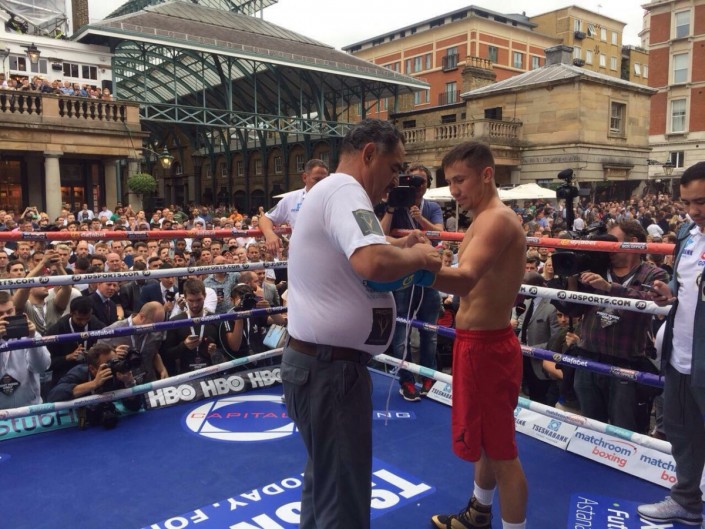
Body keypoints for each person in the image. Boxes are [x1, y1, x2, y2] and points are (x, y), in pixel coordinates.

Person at [281, 119, 441, 529]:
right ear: (369, 154)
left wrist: (398, 244)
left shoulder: (335, 191)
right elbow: (370, 261)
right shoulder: (345, 190)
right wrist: (420, 257)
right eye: (394, 167)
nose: (395, 182)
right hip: (330, 371)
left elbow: (363, 246)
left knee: (327, 485)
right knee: (342, 501)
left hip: (322, 367)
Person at [429, 142, 528, 529]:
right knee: (486, 440)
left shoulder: (496, 220)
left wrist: (409, 267)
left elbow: (465, 280)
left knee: (502, 453)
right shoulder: (482, 219)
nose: (454, 190)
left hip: (487, 348)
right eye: (450, 182)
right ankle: (479, 512)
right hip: (476, 344)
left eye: (460, 180)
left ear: (487, 174)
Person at [638, 162, 705, 526]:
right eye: (688, 202)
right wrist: (669, 292)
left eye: (702, 202)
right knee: (682, 433)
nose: (694, 210)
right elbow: (685, 286)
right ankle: (686, 501)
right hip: (680, 354)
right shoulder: (687, 234)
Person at [571, 219, 668, 433]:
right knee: (589, 428)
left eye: (613, 241)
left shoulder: (654, 274)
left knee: (624, 431)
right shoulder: (598, 267)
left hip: (626, 363)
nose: (608, 246)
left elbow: (652, 302)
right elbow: (573, 309)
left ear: (633, 242)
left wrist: (610, 287)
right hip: (588, 357)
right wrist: (571, 278)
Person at [380, 163, 444, 401]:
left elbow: (439, 233)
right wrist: (391, 207)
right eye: (412, 181)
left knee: (430, 331)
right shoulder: (394, 204)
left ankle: (428, 377)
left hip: (427, 275)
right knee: (402, 329)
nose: (417, 186)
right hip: (403, 275)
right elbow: (380, 235)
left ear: (428, 184)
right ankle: (406, 380)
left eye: (421, 181)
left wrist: (420, 219)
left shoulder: (432, 207)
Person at [259, 158, 329, 256]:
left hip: (329, 256)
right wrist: (269, 234)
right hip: (301, 256)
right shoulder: (291, 199)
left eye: (324, 180)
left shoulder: (334, 198)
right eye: (316, 179)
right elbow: (265, 218)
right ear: (305, 177)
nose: (321, 184)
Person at [0, 290, 51, 409]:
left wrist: (32, 339)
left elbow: (41, 367)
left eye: (9, 311)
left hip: (30, 408)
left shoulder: (30, 334)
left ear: (14, 310)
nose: (5, 317)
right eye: (0, 313)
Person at [97, 301, 168, 384]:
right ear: (142, 317)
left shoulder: (156, 333)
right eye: (153, 324)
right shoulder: (113, 331)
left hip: (149, 382)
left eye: (159, 325)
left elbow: (154, 353)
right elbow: (97, 360)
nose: (155, 329)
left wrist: (162, 369)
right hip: (123, 385)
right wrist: (113, 354)